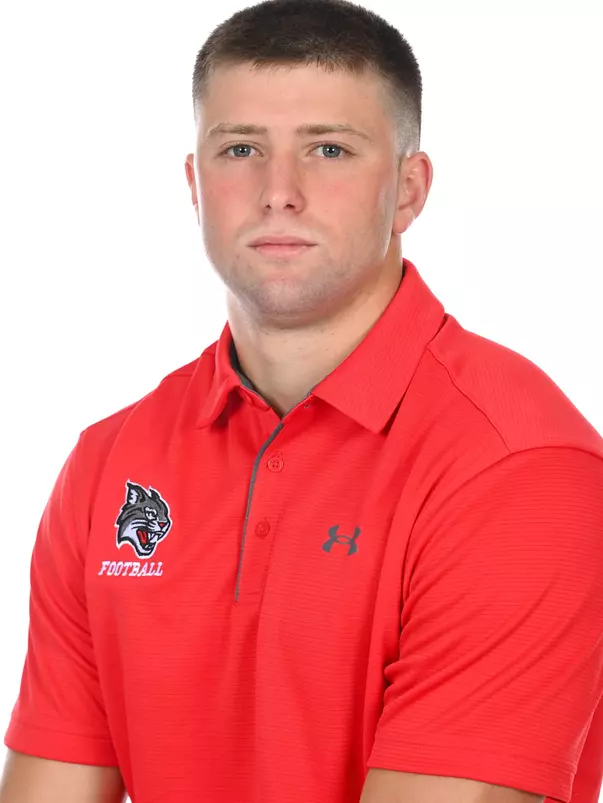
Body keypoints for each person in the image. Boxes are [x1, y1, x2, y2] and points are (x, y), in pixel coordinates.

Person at [2, 0, 603, 801]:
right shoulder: (111, 460)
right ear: (194, 182)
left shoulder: (518, 471)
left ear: (407, 190)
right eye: (241, 148)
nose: (277, 192)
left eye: (329, 149)